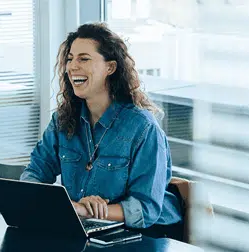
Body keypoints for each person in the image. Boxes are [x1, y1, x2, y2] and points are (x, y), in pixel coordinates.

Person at [20, 23, 182, 229]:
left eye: (84, 59)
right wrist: (56, 203)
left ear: (110, 68)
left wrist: (84, 210)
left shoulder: (143, 128)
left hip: (147, 236)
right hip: (88, 230)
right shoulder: (63, 120)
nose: (72, 66)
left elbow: (145, 209)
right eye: (70, 59)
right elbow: (34, 173)